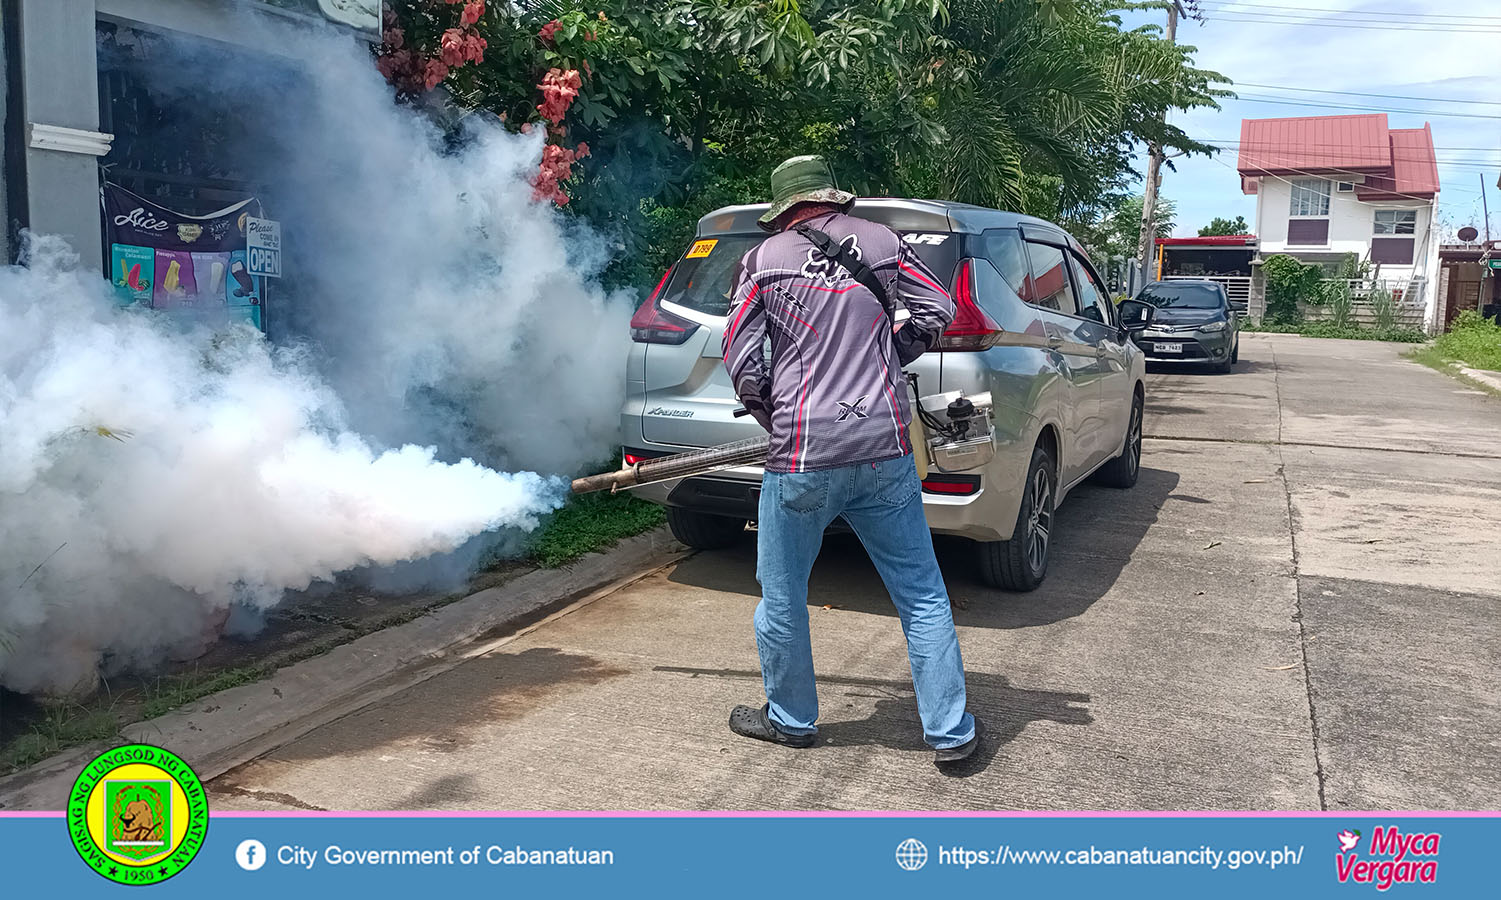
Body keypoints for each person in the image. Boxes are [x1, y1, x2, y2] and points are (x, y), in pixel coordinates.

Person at [722, 155, 981, 767]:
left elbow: (739, 353)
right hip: (882, 447)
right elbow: (938, 309)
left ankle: (791, 719)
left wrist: (772, 412)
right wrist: (893, 352)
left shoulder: (763, 261)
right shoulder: (885, 244)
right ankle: (950, 733)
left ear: (785, 210)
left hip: (803, 454)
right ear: (833, 199)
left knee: (782, 594)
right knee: (921, 594)